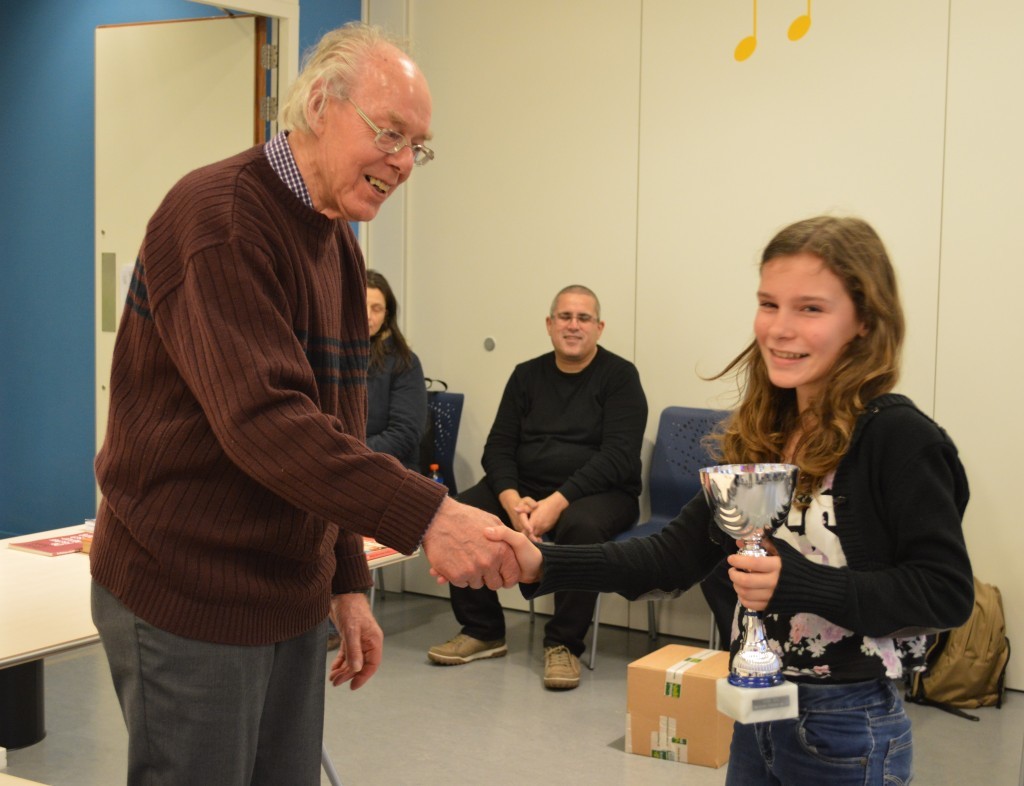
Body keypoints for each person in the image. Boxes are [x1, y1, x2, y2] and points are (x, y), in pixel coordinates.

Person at [90, 23, 517, 786]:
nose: (401, 163)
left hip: (286, 594)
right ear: (320, 103)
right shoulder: (218, 218)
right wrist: (429, 514)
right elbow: (266, 424)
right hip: (189, 593)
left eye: (417, 147)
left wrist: (346, 577)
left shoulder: (337, 238)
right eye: (389, 134)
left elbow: (336, 424)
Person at [486, 217, 974, 783]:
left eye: (810, 309)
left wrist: (797, 582)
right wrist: (543, 562)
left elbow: (945, 593)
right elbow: (670, 556)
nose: (779, 329)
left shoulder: (898, 437)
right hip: (756, 715)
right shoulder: (764, 433)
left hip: (848, 724)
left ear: (864, 322)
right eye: (769, 304)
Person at [428, 285, 648, 690]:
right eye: (565, 316)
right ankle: (483, 631)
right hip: (525, 488)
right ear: (549, 325)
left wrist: (558, 502)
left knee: (580, 529)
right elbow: (497, 447)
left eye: (583, 318)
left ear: (599, 327)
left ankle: (563, 644)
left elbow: (618, 456)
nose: (573, 325)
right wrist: (511, 499)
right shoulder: (526, 375)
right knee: (462, 511)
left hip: (601, 494)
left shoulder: (620, 377)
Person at [365, 269, 427, 471]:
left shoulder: (404, 362)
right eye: (361, 305)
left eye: (376, 309)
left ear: (386, 314)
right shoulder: (328, 356)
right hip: (335, 465)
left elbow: (404, 434)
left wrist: (350, 456)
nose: (368, 316)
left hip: (388, 468)